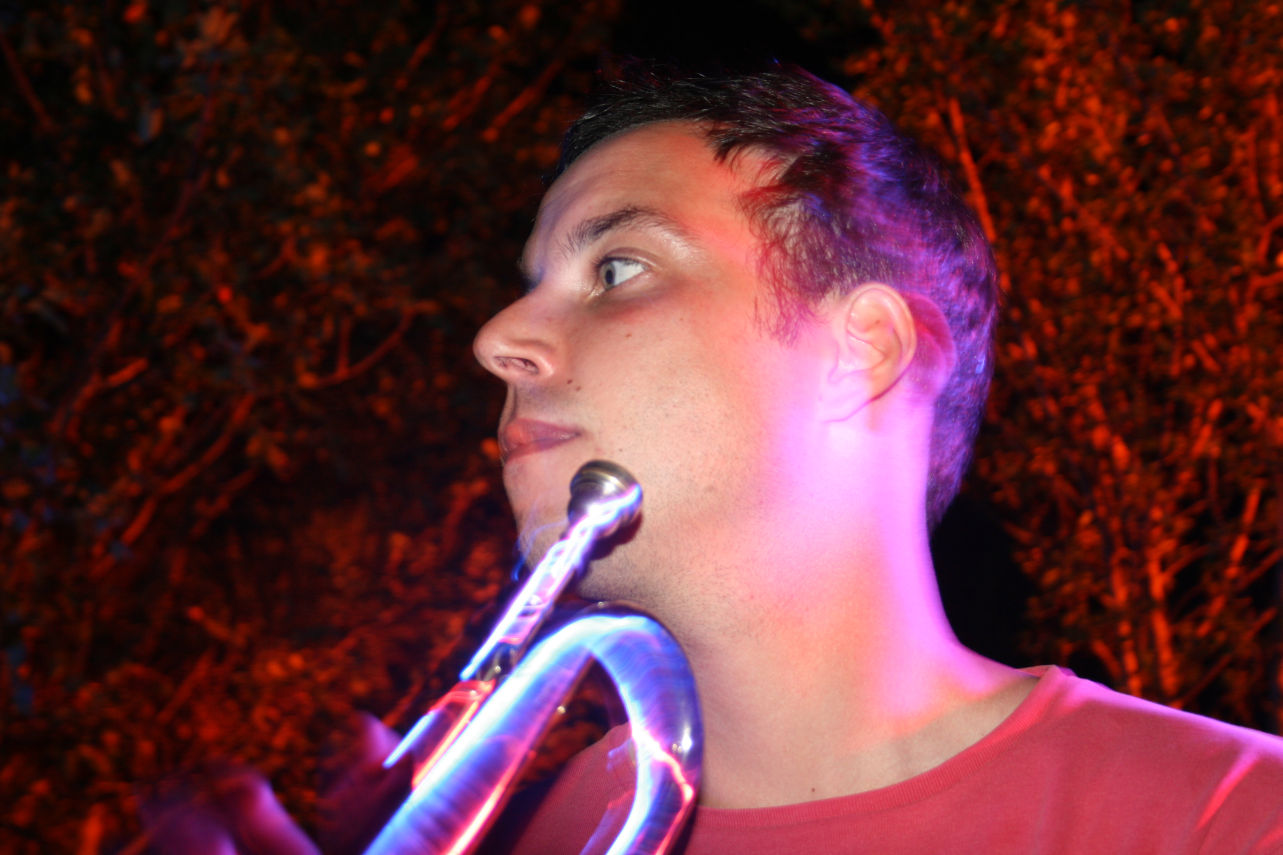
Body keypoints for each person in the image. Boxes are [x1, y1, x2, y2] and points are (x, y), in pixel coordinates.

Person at [149, 64, 1283, 854]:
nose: (497, 337)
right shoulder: (514, 836)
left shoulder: (1230, 819)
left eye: (616, 269)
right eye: (532, 282)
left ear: (861, 351)